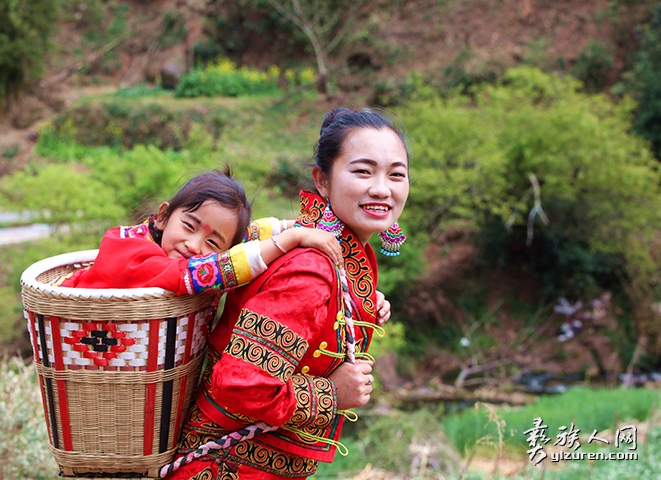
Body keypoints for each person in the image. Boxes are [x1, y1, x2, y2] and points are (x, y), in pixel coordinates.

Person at [164, 107, 410, 479]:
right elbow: (239, 385)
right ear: (322, 181)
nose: (382, 188)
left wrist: (363, 305)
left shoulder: (328, 261)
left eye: (396, 174)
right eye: (363, 171)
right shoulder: (309, 269)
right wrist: (331, 393)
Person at [58, 167, 343, 292]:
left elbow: (241, 238)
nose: (195, 245)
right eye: (189, 226)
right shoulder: (135, 253)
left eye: (211, 242)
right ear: (163, 216)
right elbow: (210, 270)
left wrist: (299, 226)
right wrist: (291, 238)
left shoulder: (173, 245)